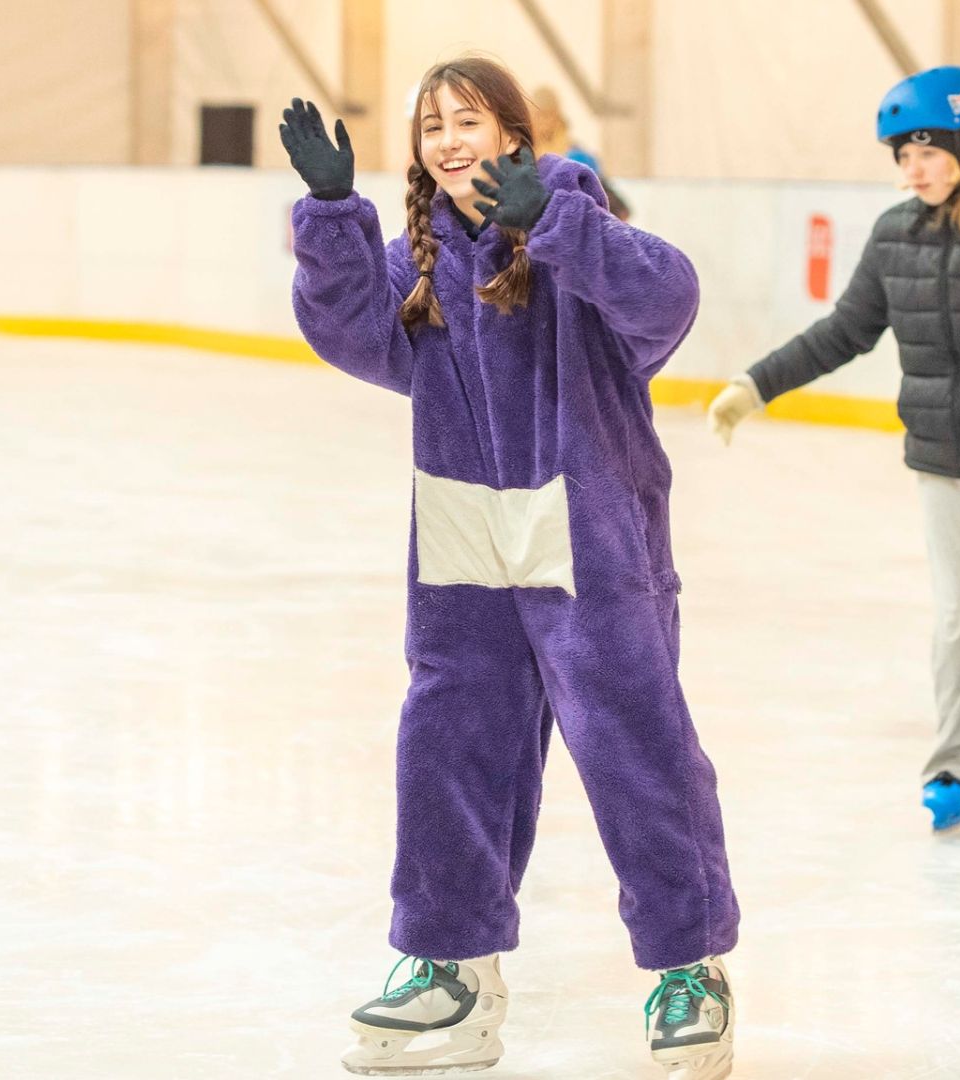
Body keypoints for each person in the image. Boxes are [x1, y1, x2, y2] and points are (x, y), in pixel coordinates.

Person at [279, 53, 737, 1079]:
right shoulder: (422, 257)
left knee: (634, 745)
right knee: (448, 747)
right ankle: (452, 969)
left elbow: (666, 302)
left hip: (588, 534)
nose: (448, 141)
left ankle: (689, 968)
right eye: (431, 125)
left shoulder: (573, 214)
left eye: (468, 121)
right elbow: (351, 333)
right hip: (464, 536)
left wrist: (559, 224)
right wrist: (332, 215)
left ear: (514, 135)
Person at [706, 66, 960, 843]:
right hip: (940, 460)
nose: (913, 168)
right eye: (902, 155)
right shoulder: (896, 236)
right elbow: (845, 331)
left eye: (927, 150)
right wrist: (757, 384)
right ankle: (957, 767)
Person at [530, 85, 632, 220]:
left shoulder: (579, 156)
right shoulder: (524, 154)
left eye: (548, 115)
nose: (544, 122)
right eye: (539, 115)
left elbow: (613, 207)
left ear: (556, 115)